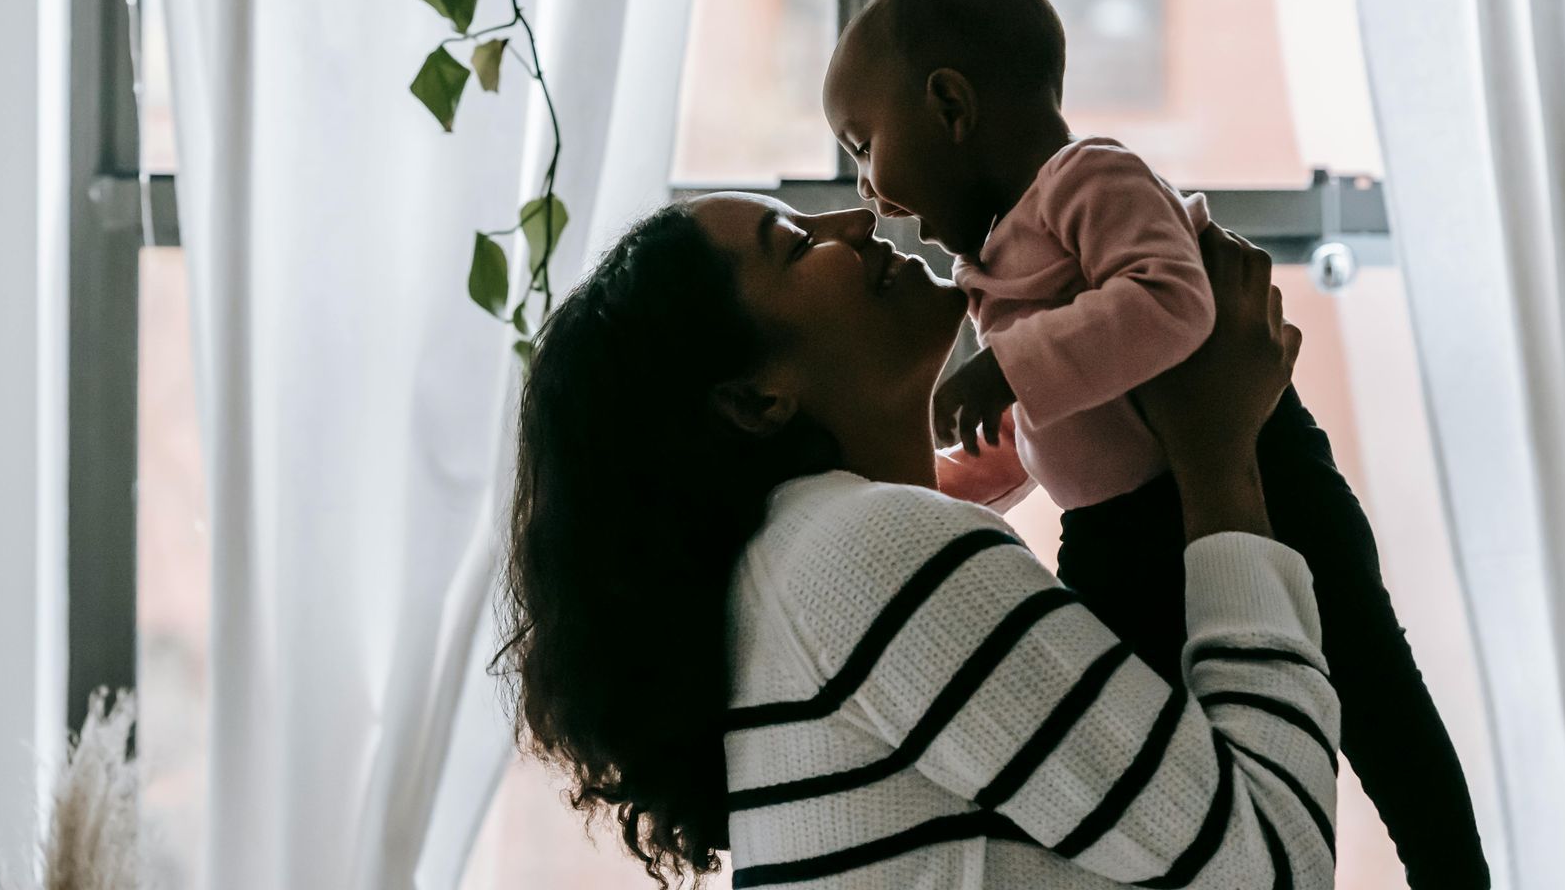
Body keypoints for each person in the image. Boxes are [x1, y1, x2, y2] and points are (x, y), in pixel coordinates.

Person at [821, 0, 1488, 888]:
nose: (866, 190)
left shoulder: (1086, 180)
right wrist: (962, 479)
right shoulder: (1004, 259)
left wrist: (1007, 365)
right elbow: (1074, 413)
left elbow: (1175, 306)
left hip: (1268, 483)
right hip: (1122, 535)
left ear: (950, 106)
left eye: (861, 144)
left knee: (1379, 706)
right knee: (1136, 761)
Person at [499, 194, 1338, 888]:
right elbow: (1272, 865)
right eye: (796, 245)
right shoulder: (870, 552)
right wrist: (1219, 453)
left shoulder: (790, 571)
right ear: (757, 401)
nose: (856, 222)